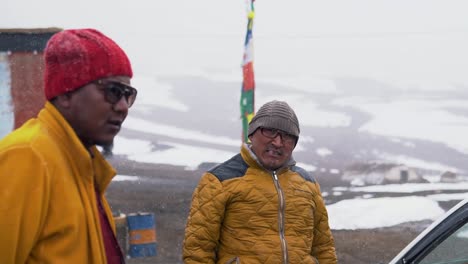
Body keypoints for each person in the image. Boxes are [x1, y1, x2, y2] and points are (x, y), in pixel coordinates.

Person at [0, 28, 137, 264]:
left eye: (129, 95)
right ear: (66, 93)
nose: (123, 107)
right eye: (113, 91)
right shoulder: (28, 156)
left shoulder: (81, 165)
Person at [183, 100, 337, 263]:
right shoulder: (218, 180)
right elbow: (198, 250)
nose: (278, 142)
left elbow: (324, 248)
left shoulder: (308, 183)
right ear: (252, 133)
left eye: (287, 136)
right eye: (270, 131)